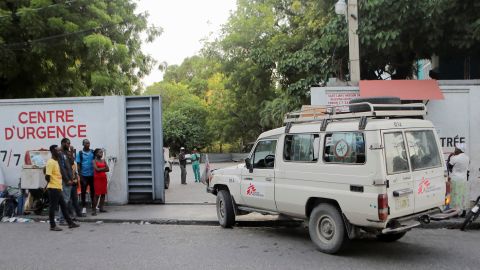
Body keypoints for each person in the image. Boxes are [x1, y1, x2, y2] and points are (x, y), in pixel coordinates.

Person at [45, 145, 79, 231]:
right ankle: (52, 225)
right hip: (53, 188)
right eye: (57, 150)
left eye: (60, 151)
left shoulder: (56, 161)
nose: (59, 152)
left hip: (58, 187)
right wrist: (51, 184)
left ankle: (70, 223)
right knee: (53, 207)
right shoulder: (51, 162)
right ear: (53, 151)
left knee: (63, 206)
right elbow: (47, 176)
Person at [59, 138, 82, 225]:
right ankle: (61, 219)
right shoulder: (60, 153)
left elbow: (72, 163)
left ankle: (67, 217)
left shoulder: (67, 153)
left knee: (67, 200)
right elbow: (62, 168)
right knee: (64, 200)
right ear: (63, 143)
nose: (69, 145)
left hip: (70, 179)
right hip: (65, 180)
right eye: (68, 143)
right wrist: (66, 179)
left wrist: (71, 152)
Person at [448, 143, 470, 215]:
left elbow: (449, 167)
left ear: (459, 150)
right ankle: (463, 212)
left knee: (456, 195)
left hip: (455, 179)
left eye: (456, 149)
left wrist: (449, 157)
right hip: (463, 179)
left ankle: (456, 213)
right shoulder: (467, 157)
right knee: (463, 195)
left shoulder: (454, 158)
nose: (455, 150)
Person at [76, 139, 95, 215]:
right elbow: (78, 165)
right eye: (86, 143)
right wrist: (80, 175)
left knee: (93, 191)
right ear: (83, 144)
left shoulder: (92, 152)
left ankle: (93, 206)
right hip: (84, 175)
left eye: (89, 143)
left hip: (92, 175)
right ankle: (84, 207)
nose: (88, 144)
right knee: (83, 191)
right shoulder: (80, 153)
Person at [92, 148, 109, 216]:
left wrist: (101, 169)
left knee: (103, 194)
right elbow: (97, 169)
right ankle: (94, 210)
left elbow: (108, 169)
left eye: (102, 153)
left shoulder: (103, 160)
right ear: (96, 153)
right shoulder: (94, 161)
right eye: (100, 152)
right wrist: (103, 169)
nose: (101, 154)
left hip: (103, 178)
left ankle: (101, 208)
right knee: (97, 194)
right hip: (97, 179)